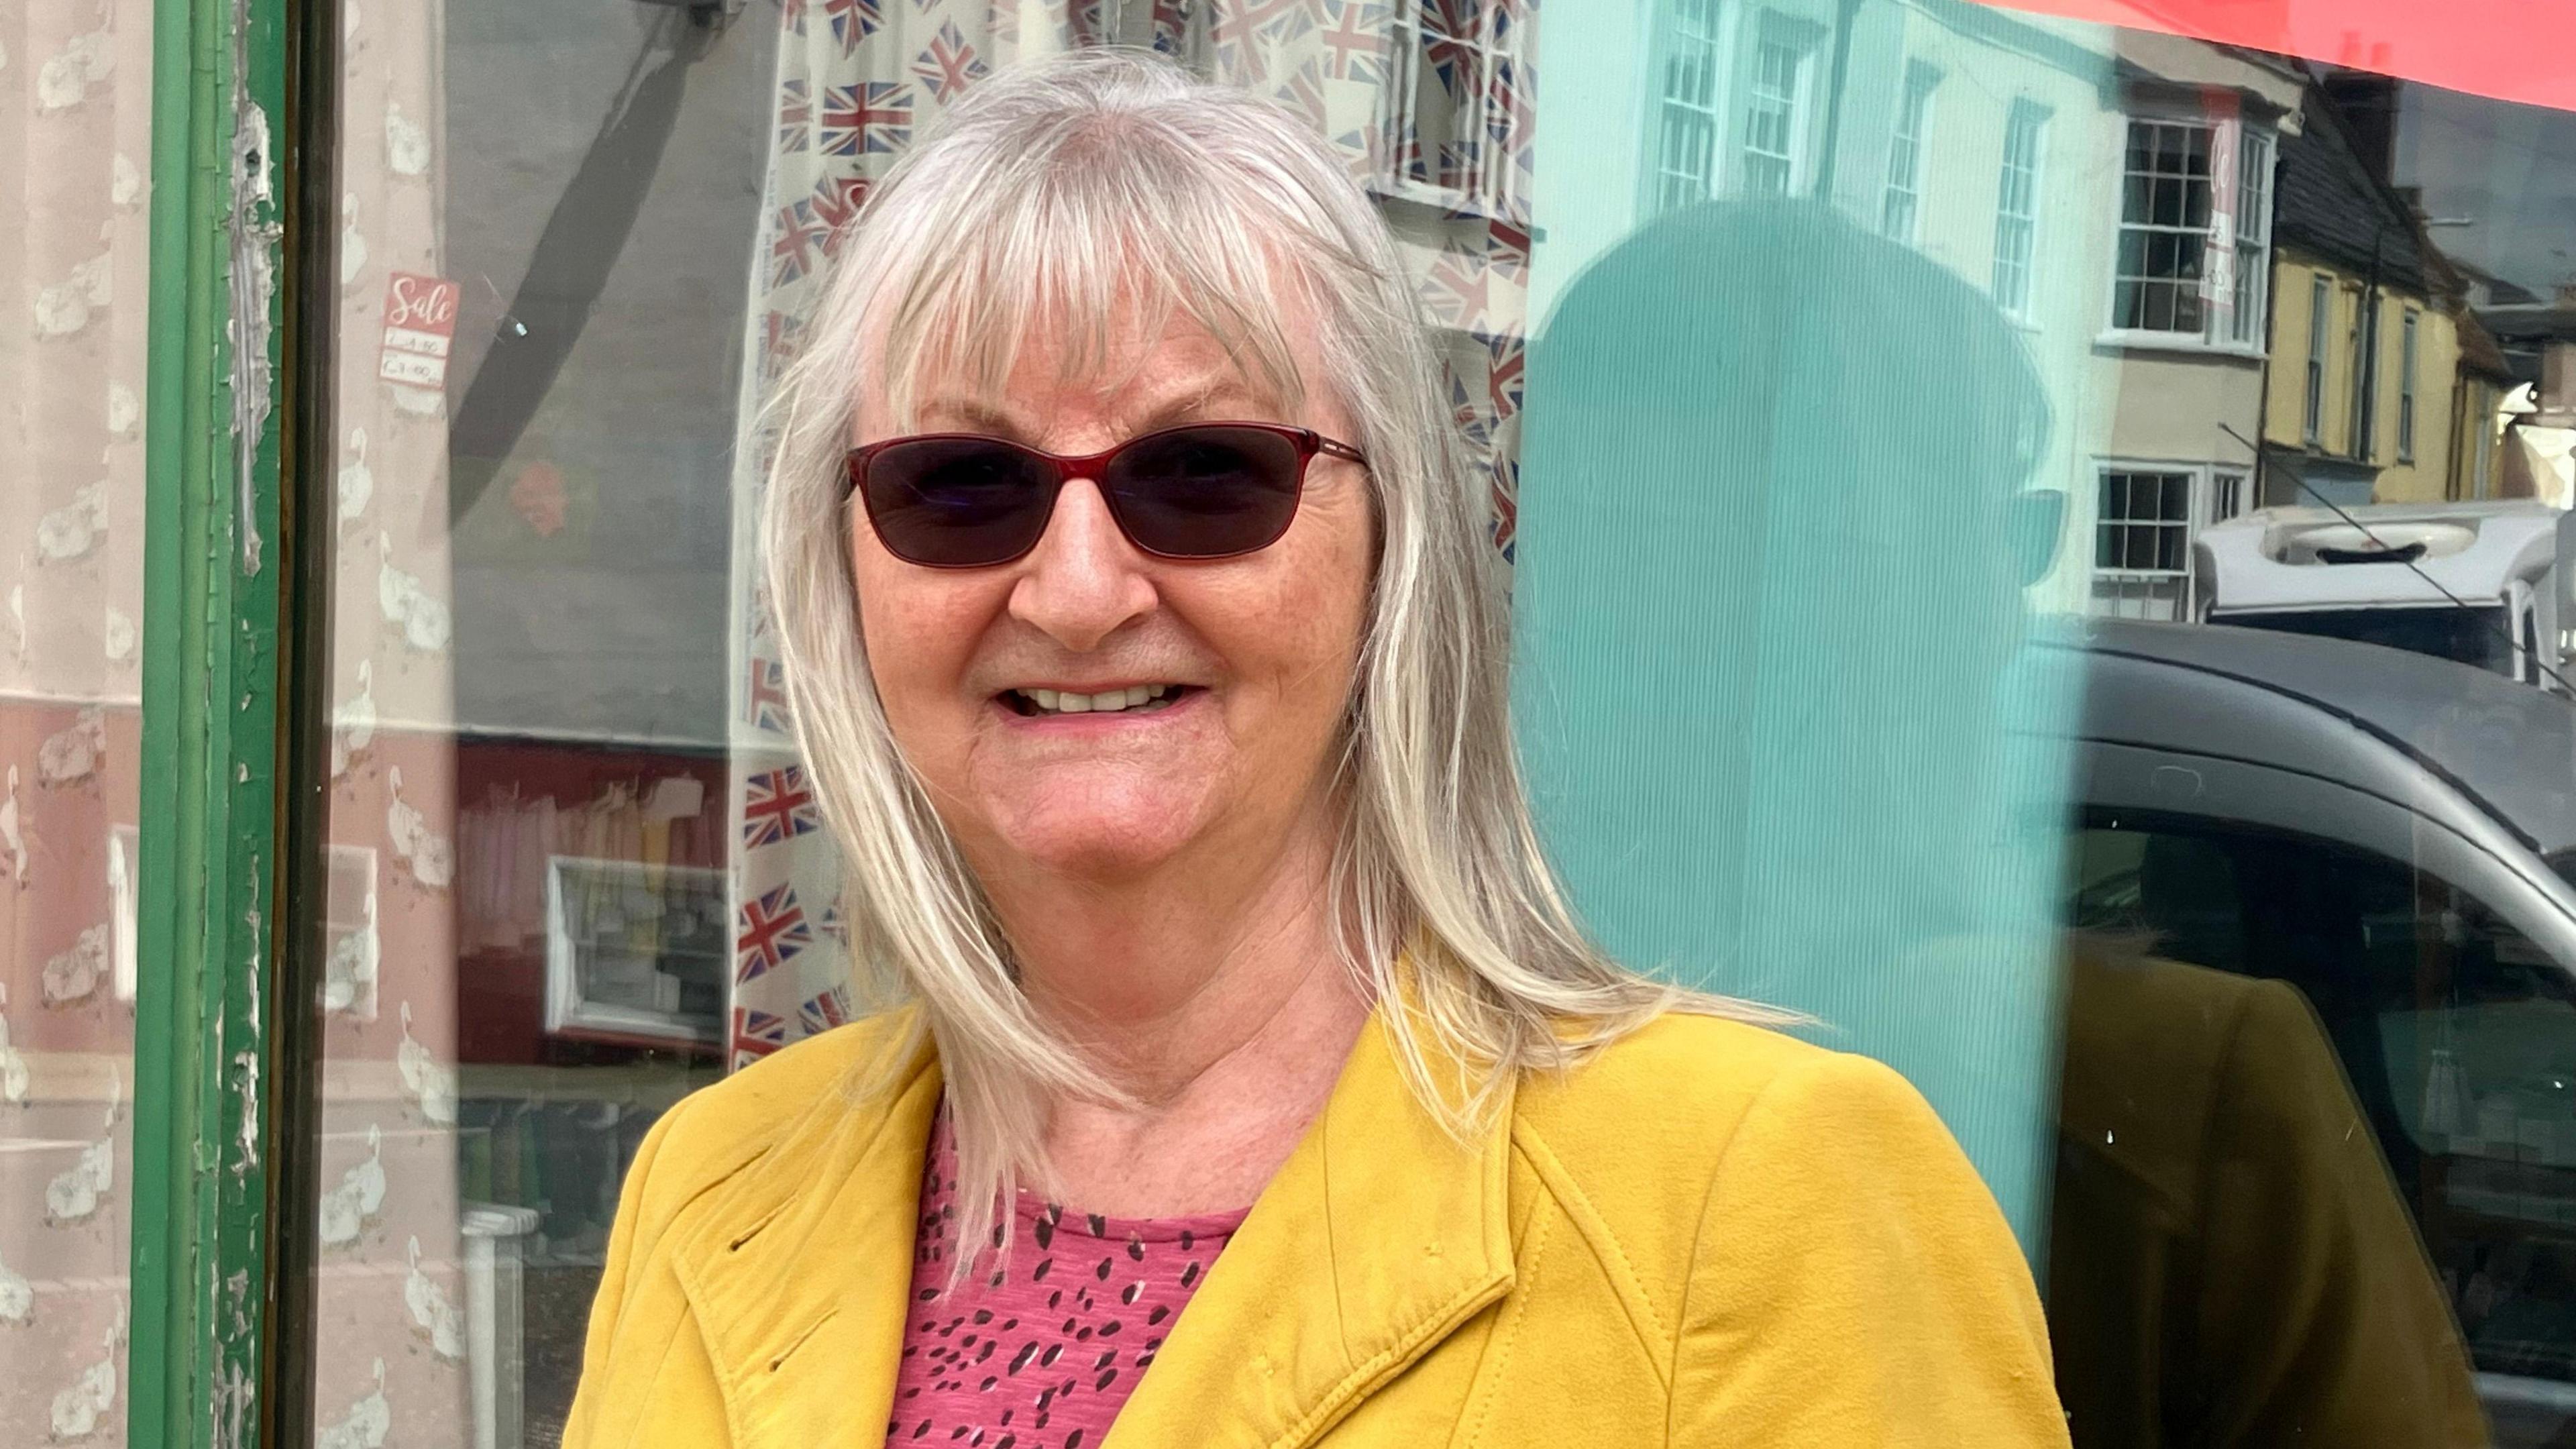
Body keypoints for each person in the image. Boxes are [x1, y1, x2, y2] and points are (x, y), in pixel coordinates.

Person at [562, 48, 2065, 1448]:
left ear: (1390, 549)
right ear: (845, 572)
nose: (1079, 592)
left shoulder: (1762, 1198)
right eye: (960, 485)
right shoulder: (716, 1190)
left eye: (1205, 472)